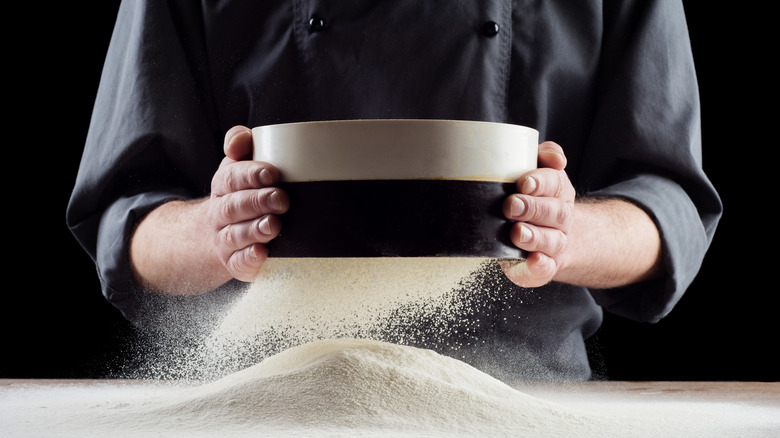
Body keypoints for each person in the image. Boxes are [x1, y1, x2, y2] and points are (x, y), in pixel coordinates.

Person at [67, 0, 721, 380]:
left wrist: (567, 231)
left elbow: (668, 200)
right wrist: (216, 229)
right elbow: (129, 222)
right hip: (267, 401)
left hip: (526, 399)